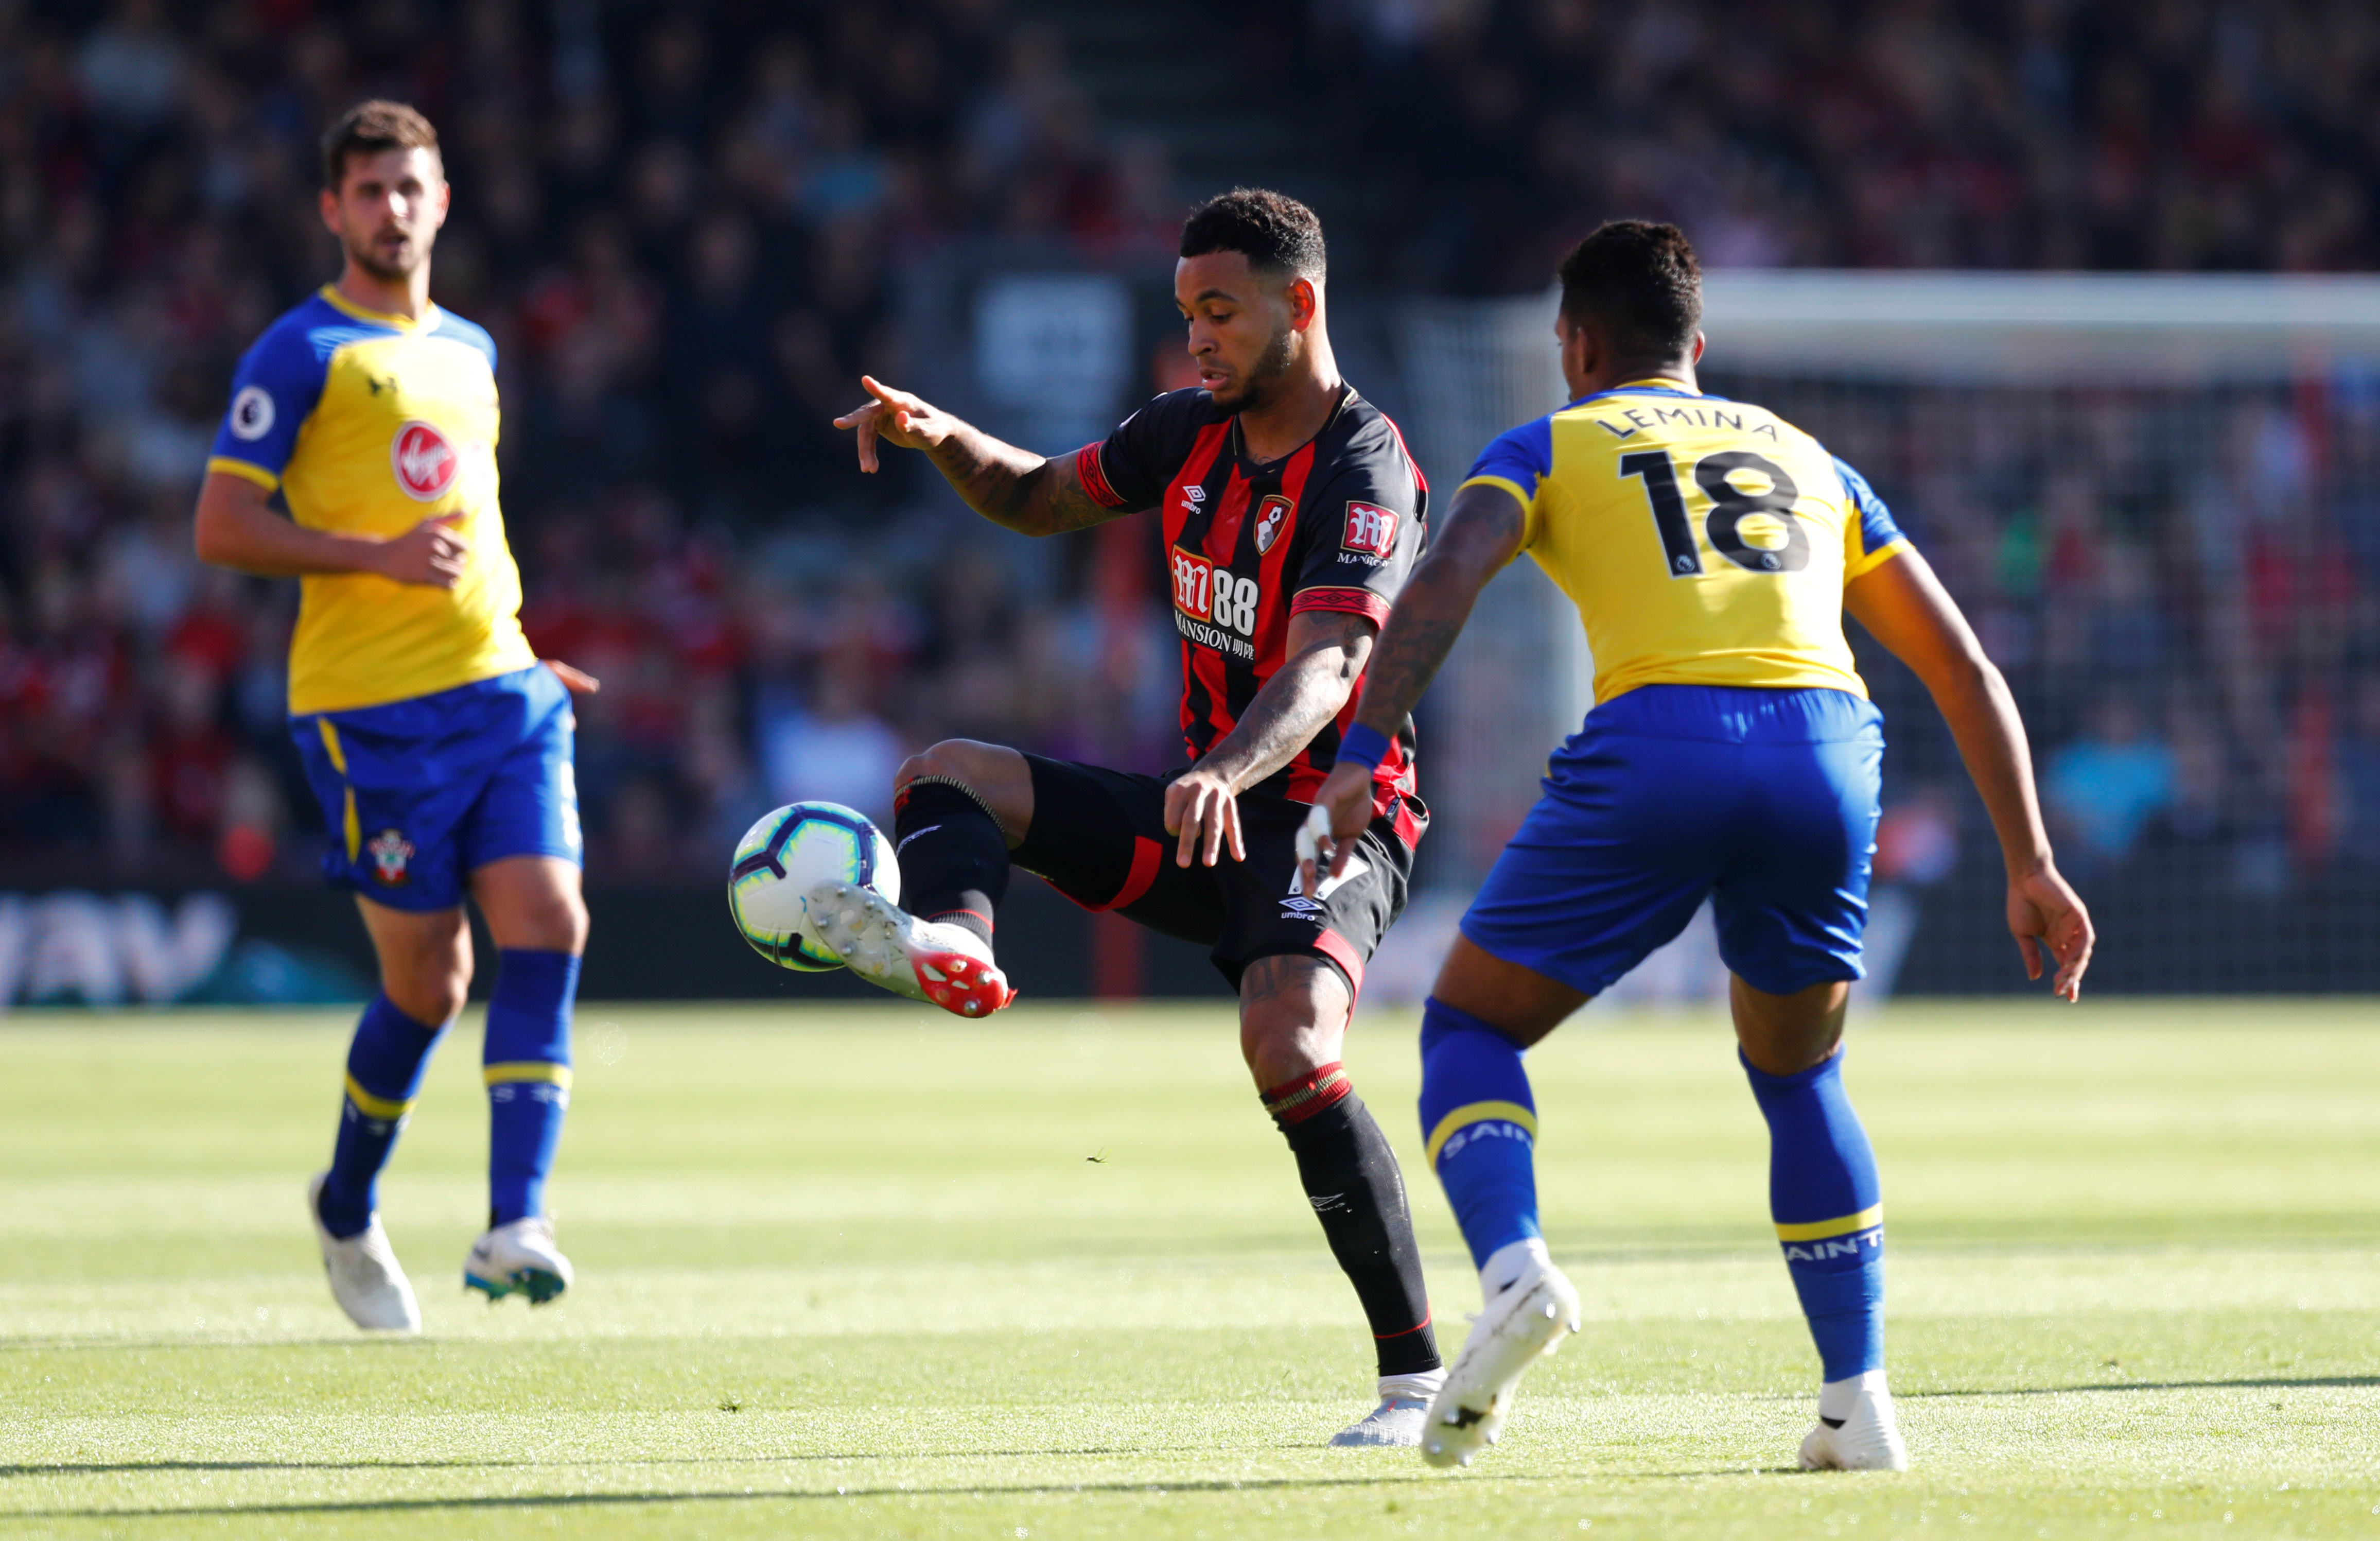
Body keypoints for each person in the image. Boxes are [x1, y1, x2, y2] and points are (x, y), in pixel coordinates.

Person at [1303, 221, 2096, 1471]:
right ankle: (1857, 1403)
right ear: (1697, 347)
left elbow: (1446, 575)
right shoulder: (1808, 457)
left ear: (1574, 344)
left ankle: (1513, 1274)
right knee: (1800, 1076)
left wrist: (1360, 749)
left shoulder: (1549, 443)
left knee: (1466, 1030)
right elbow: (1959, 664)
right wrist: (2029, 861)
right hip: (1825, 751)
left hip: (1661, 745)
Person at [827, 190, 1444, 1446]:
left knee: (1287, 1047)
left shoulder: (1364, 466)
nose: (1197, 337)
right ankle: (956, 943)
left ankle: (1415, 1381)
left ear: (1299, 305)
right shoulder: (1183, 429)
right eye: (1185, 312)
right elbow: (1034, 496)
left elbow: (1329, 666)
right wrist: (941, 433)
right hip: (1201, 807)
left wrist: (1226, 767)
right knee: (946, 775)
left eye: (1220, 311)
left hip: (1328, 818)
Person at [194, 101, 598, 1332]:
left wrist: (520, 650)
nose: (392, 210)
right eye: (368, 191)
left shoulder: (472, 348)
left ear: (442, 200)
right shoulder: (299, 352)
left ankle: (515, 1223)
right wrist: (371, 555)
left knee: (550, 920)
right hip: (368, 714)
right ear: (332, 209)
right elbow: (221, 525)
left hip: (503, 691)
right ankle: (345, 1205)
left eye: (409, 188)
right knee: (429, 982)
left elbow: (475, 524)